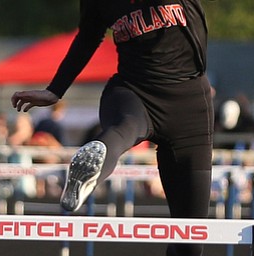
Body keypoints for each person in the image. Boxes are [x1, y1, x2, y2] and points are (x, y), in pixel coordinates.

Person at [11, 1, 214, 256]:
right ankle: (92, 162)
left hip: (177, 102)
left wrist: (56, 90)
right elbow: (88, 37)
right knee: (190, 239)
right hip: (148, 95)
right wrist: (55, 89)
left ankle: (101, 152)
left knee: (190, 240)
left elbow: (87, 39)